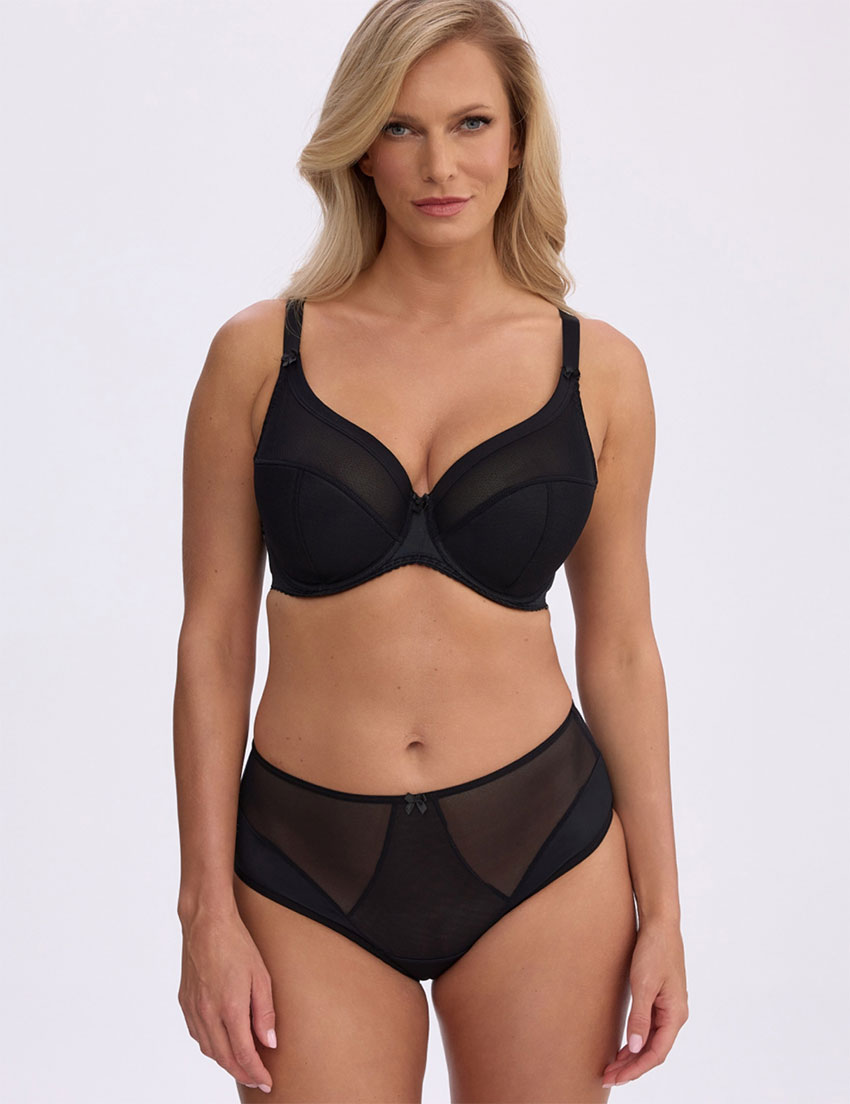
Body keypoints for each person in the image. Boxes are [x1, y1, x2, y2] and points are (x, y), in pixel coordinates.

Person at [173, 0, 688, 1099]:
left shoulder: (599, 371)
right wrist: (204, 906)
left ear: (518, 139)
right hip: (303, 861)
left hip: (544, 850)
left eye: (470, 124)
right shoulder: (259, 355)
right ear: (360, 147)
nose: (439, 165)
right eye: (400, 127)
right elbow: (213, 641)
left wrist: (666, 914)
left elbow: (622, 649)